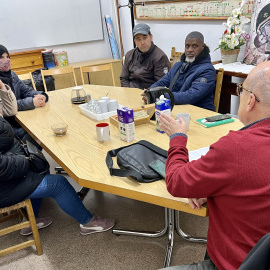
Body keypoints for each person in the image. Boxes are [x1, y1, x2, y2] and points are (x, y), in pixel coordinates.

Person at [158, 60, 270, 270]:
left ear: (250, 101)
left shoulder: (236, 148)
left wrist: (178, 138)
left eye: (241, 90)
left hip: (238, 263)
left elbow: (175, 181)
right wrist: (213, 187)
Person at [0, 85, 115, 236]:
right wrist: (27, 161)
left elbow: (10, 111)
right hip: (5, 186)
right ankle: (89, 223)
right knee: (58, 184)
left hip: (9, 172)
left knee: (41, 164)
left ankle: (30, 220)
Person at [145, 31, 216, 111]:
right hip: (177, 108)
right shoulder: (178, 65)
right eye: (187, 46)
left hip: (199, 112)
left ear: (202, 47)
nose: (190, 50)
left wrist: (159, 96)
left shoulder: (207, 70)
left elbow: (191, 96)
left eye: (195, 46)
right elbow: (162, 82)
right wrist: (150, 92)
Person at [0, 44, 48, 139]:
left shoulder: (12, 75)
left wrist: (42, 95)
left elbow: (26, 90)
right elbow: (6, 106)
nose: (7, 60)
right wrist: (31, 102)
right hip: (7, 126)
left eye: (7, 57)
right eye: (1, 57)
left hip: (20, 118)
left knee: (44, 126)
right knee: (36, 133)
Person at [120, 23, 170, 90]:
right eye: (138, 39)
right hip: (130, 93)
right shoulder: (129, 55)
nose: (143, 42)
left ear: (151, 37)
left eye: (145, 38)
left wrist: (148, 93)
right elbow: (123, 78)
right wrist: (129, 92)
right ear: (135, 41)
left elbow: (162, 84)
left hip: (149, 95)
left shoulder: (160, 57)